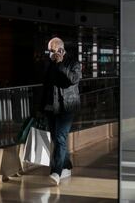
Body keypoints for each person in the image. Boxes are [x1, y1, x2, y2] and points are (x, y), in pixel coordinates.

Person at [41, 37, 81, 185]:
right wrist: (40, 107)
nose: (50, 54)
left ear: (61, 50)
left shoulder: (73, 63)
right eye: (49, 51)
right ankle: (66, 165)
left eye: (52, 51)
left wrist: (61, 64)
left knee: (60, 137)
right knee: (55, 138)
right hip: (50, 108)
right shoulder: (49, 64)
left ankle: (56, 172)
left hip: (67, 107)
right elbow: (45, 86)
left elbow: (73, 79)